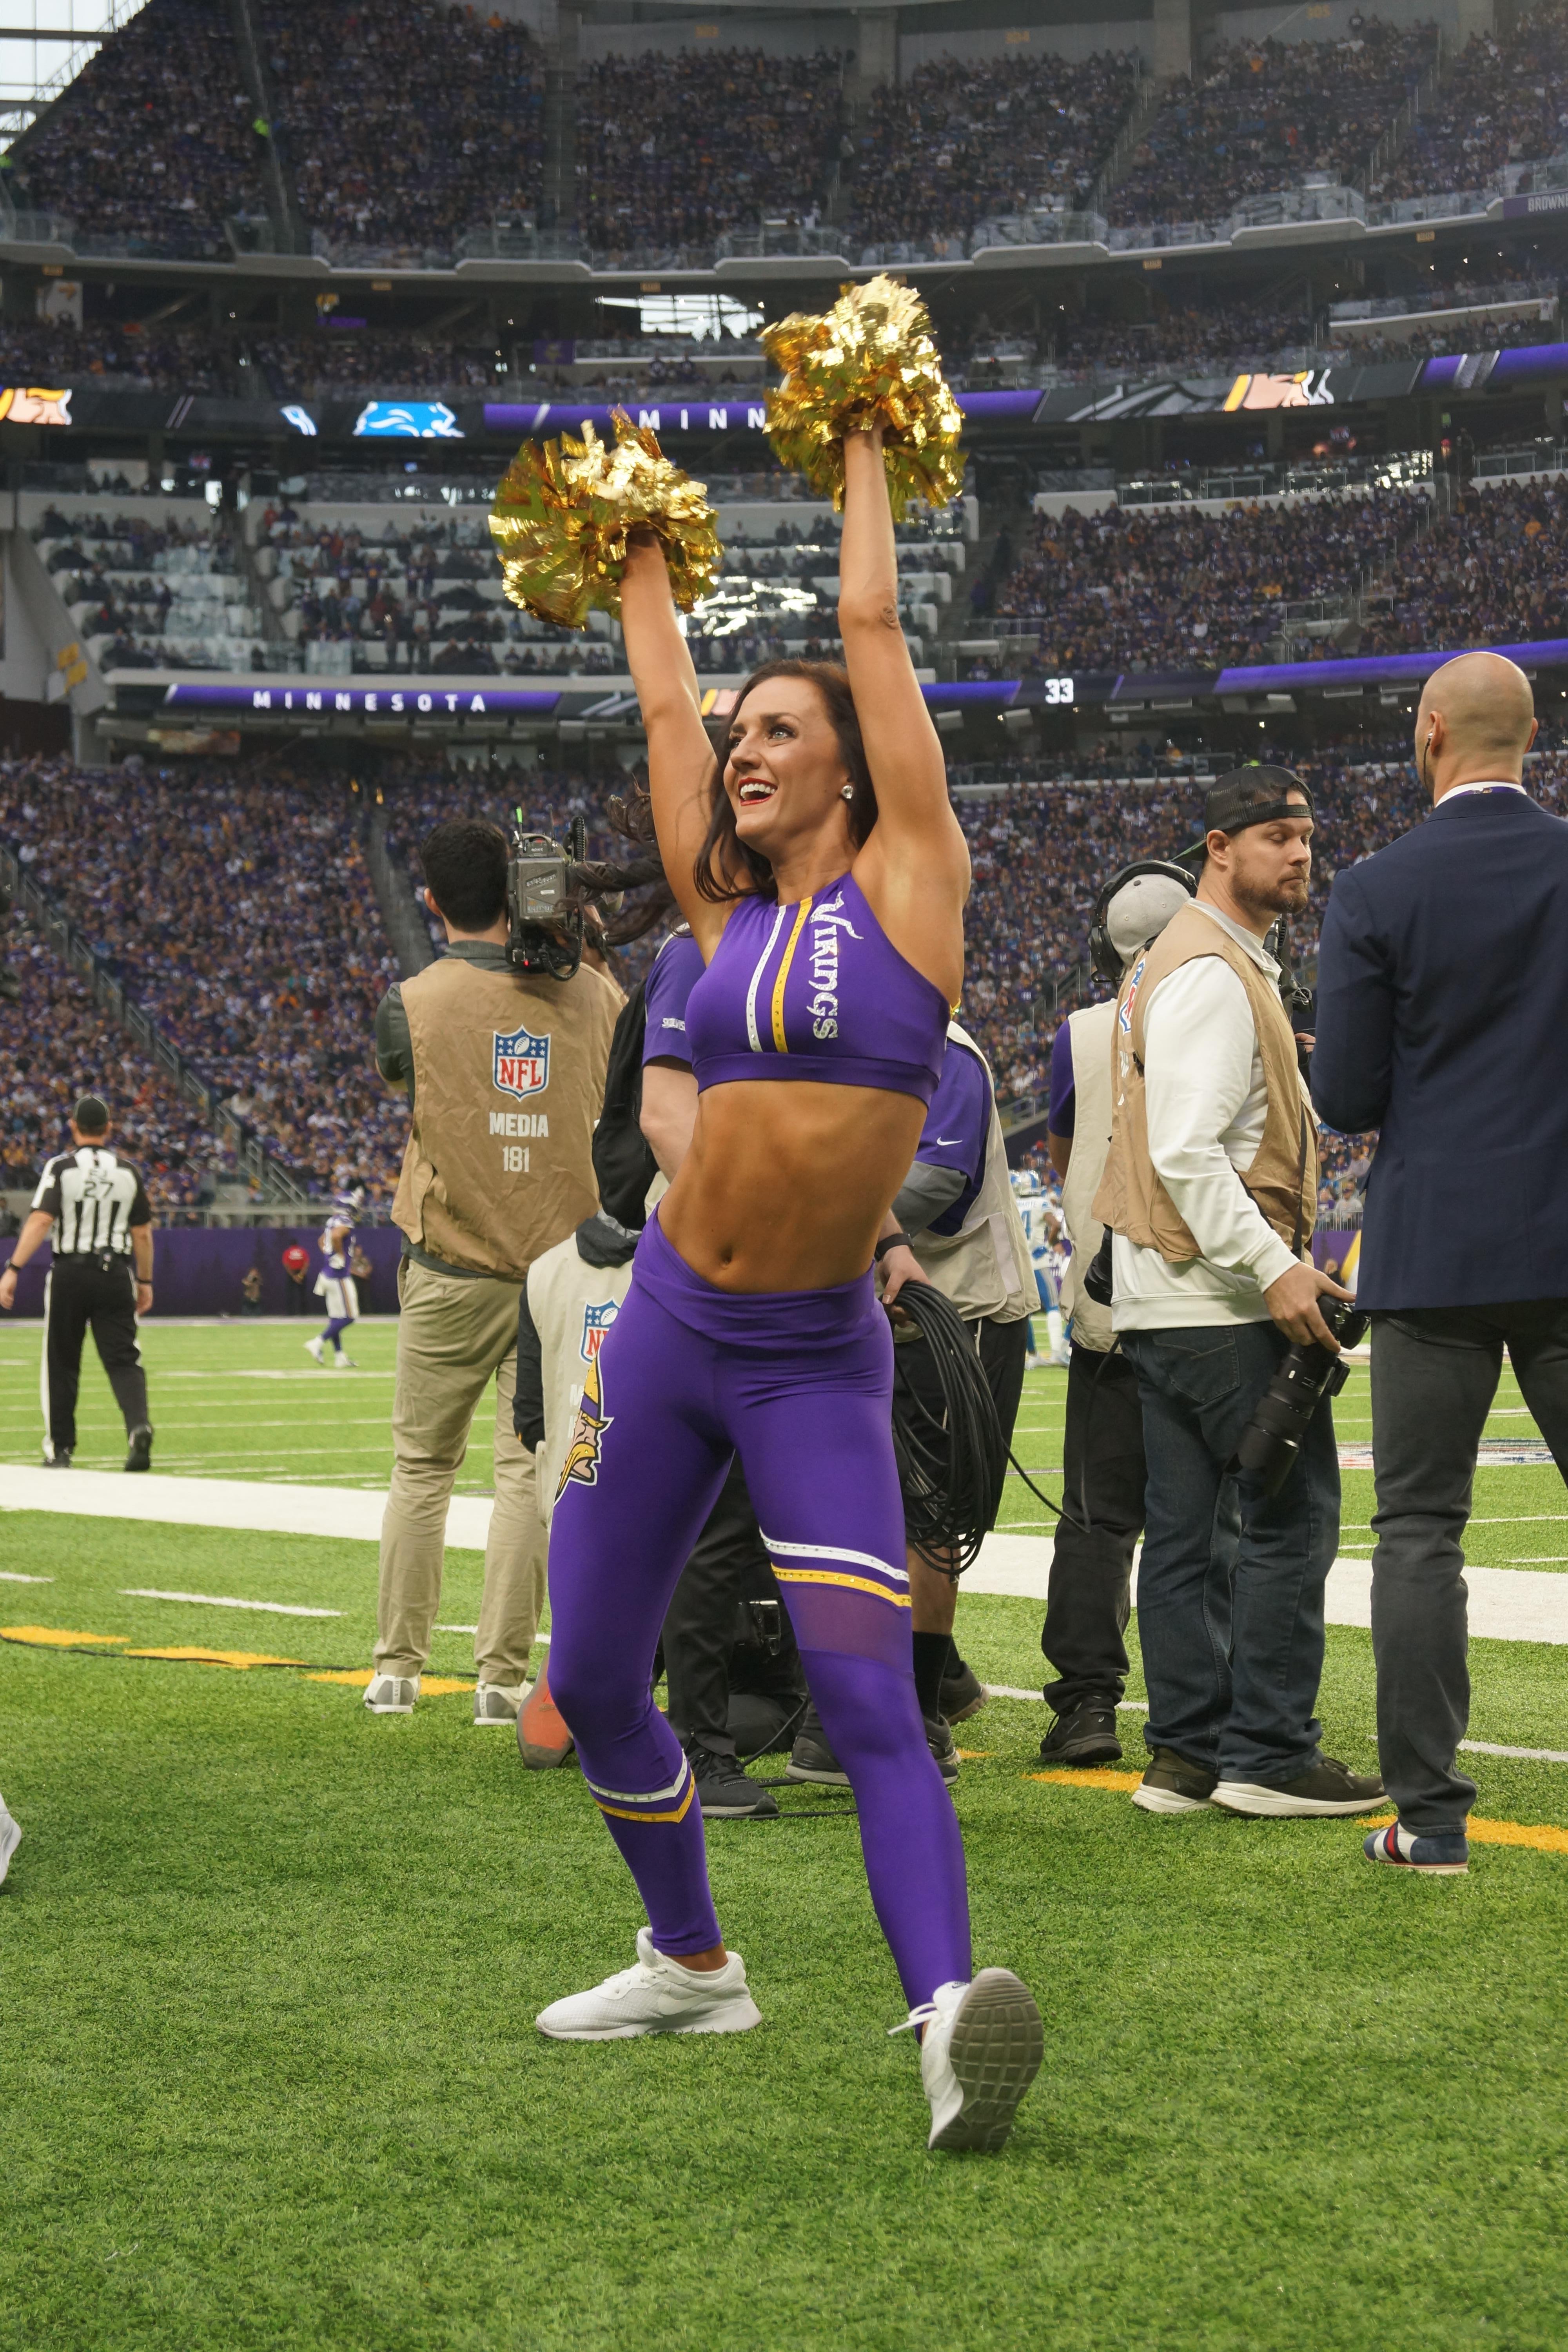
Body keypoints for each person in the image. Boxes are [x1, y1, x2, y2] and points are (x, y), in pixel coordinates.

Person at [535, 420, 1044, 2154]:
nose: (741, 751)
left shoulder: (913, 889)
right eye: (740, 734)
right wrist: (638, 566)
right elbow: (662, 709)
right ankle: (688, 1954)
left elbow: (876, 629)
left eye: (778, 730)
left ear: (846, 764)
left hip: (808, 1356)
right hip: (669, 1326)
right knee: (596, 1674)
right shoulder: (715, 909)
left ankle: (945, 2020)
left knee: (864, 1695)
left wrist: (854, 447)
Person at [1313, 650, 1568, 1876]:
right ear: (1531, 735)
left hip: (1431, 1252)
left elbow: (1348, 1092)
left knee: (1418, 1528)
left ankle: (1428, 1819)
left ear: (1427, 736)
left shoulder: (1372, 888)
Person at [1093, 769, 1385, 1822]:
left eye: (1306, 836)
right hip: (1219, 1299)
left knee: (1181, 1535)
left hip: (1162, 1296)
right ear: (1220, 848)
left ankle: (1185, 1758)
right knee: (1288, 1518)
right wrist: (1276, 1267)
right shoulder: (1214, 970)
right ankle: (1267, 1752)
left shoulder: (1190, 962)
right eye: (1276, 836)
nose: (1300, 854)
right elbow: (1185, 1149)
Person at [368, 817, 620, 1729]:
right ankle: (502, 1678)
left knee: (420, 1468)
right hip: (553, 1272)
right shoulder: (592, 994)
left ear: (431, 899)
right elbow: (621, 1077)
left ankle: (397, 1667)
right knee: (526, 1472)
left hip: (447, 1264)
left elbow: (406, 1074)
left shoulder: (412, 997)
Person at [786, 1016, 1034, 1786]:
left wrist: (821, 1224)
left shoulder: (941, 1048)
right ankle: (934, 1678)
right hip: (879, 1310)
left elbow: (938, 1182)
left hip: (957, 1309)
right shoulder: (850, 1042)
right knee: (874, 1505)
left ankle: (923, 1707)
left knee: (931, 1515)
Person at [1040, 860, 1196, 1765]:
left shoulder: (1078, 1032)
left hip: (1107, 1305)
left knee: (1097, 1517)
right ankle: (1199, 1712)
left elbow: (1065, 1160)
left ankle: (1086, 1705)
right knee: (1203, 1516)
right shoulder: (1224, 1011)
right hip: (1205, 1306)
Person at [0, 1094, 155, 1472]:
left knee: (62, 1361)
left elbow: (40, 1221)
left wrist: (14, 1268)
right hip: (116, 1273)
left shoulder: (62, 1167)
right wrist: (146, 1280)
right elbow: (143, 1235)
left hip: (71, 1272)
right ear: (109, 1128)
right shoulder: (129, 1171)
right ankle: (138, 1426)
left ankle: (61, 1449)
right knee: (124, 1359)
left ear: (73, 1127)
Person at [306, 1194, 359, 1368]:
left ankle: (340, 1356)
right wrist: (340, 1255)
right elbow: (336, 1237)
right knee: (350, 1317)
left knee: (336, 1318)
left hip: (328, 1274)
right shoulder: (344, 1222)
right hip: (339, 1276)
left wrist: (329, 1256)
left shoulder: (332, 1221)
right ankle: (317, 1342)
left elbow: (321, 1241)